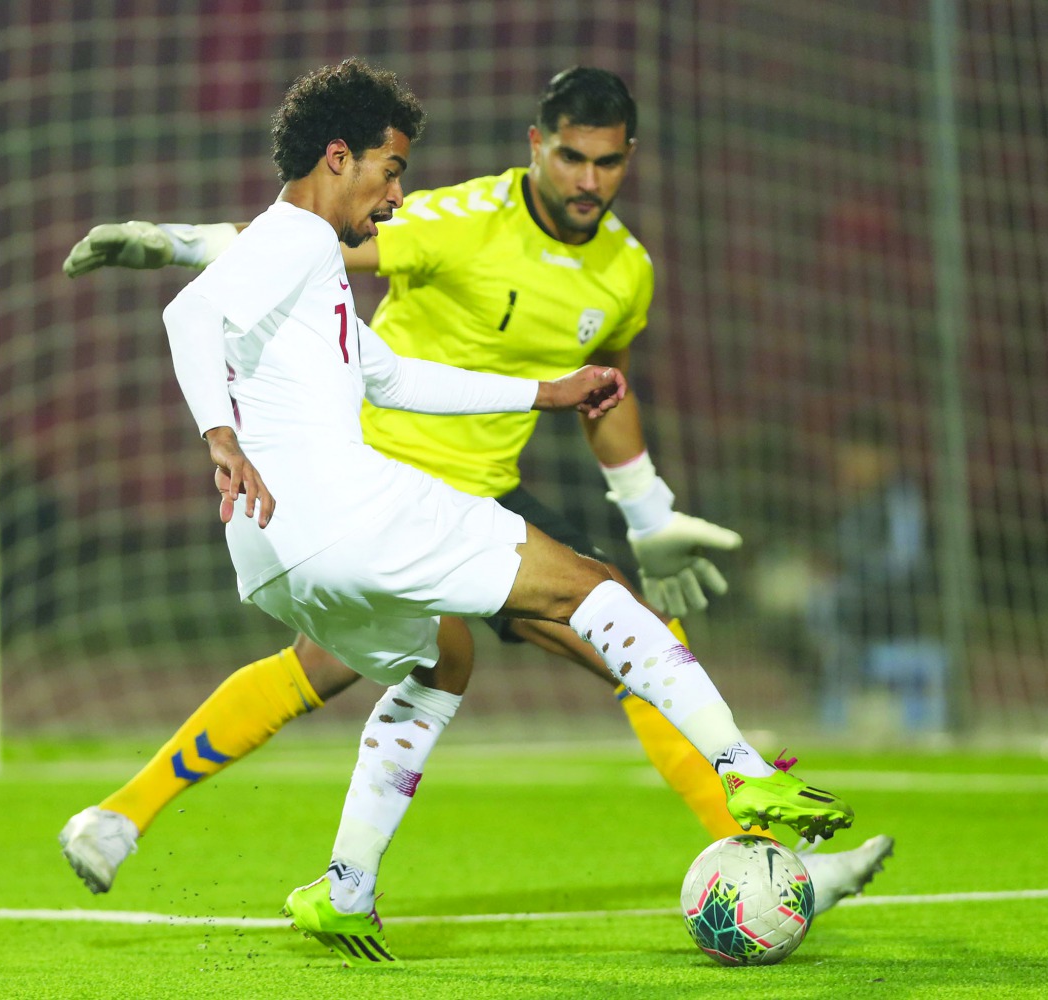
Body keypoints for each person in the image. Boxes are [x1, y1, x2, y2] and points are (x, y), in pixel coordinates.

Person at [57, 62, 868, 965]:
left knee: (442, 661)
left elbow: (390, 373)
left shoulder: (321, 263)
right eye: (390, 170)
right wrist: (219, 433)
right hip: (361, 507)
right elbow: (191, 315)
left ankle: (343, 889)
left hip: (275, 548)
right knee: (594, 592)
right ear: (339, 157)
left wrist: (544, 393)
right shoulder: (303, 237)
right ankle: (746, 775)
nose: (397, 195)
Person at [810, 409, 947, 730]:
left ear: (882, 458)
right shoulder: (854, 505)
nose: (849, 465)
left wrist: (847, 572)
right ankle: (838, 702)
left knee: (826, 605)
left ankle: (856, 702)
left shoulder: (899, 498)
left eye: (857, 456)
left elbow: (903, 564)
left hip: (899, 608)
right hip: (862, 607)